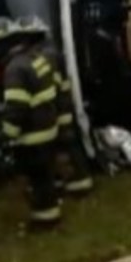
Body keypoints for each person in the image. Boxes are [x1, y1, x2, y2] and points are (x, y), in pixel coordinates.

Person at [0, 17, 62, 228]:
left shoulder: (14, 69)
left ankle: (45, 221)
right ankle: (51, 214)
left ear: (0, 46)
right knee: (46, 178)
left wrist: (6, 136)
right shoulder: (35, 57)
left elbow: (17, 109)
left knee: (38, 181)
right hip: (48, 127)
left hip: (33, 136)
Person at [14, 16, 94, 196]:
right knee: (66, 145)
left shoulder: (45, 54)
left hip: (58, 106)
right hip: (61, 104)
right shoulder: (49, 50)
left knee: (64, 145)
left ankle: (74, 182)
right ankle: (74, 180)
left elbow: (49, 82)